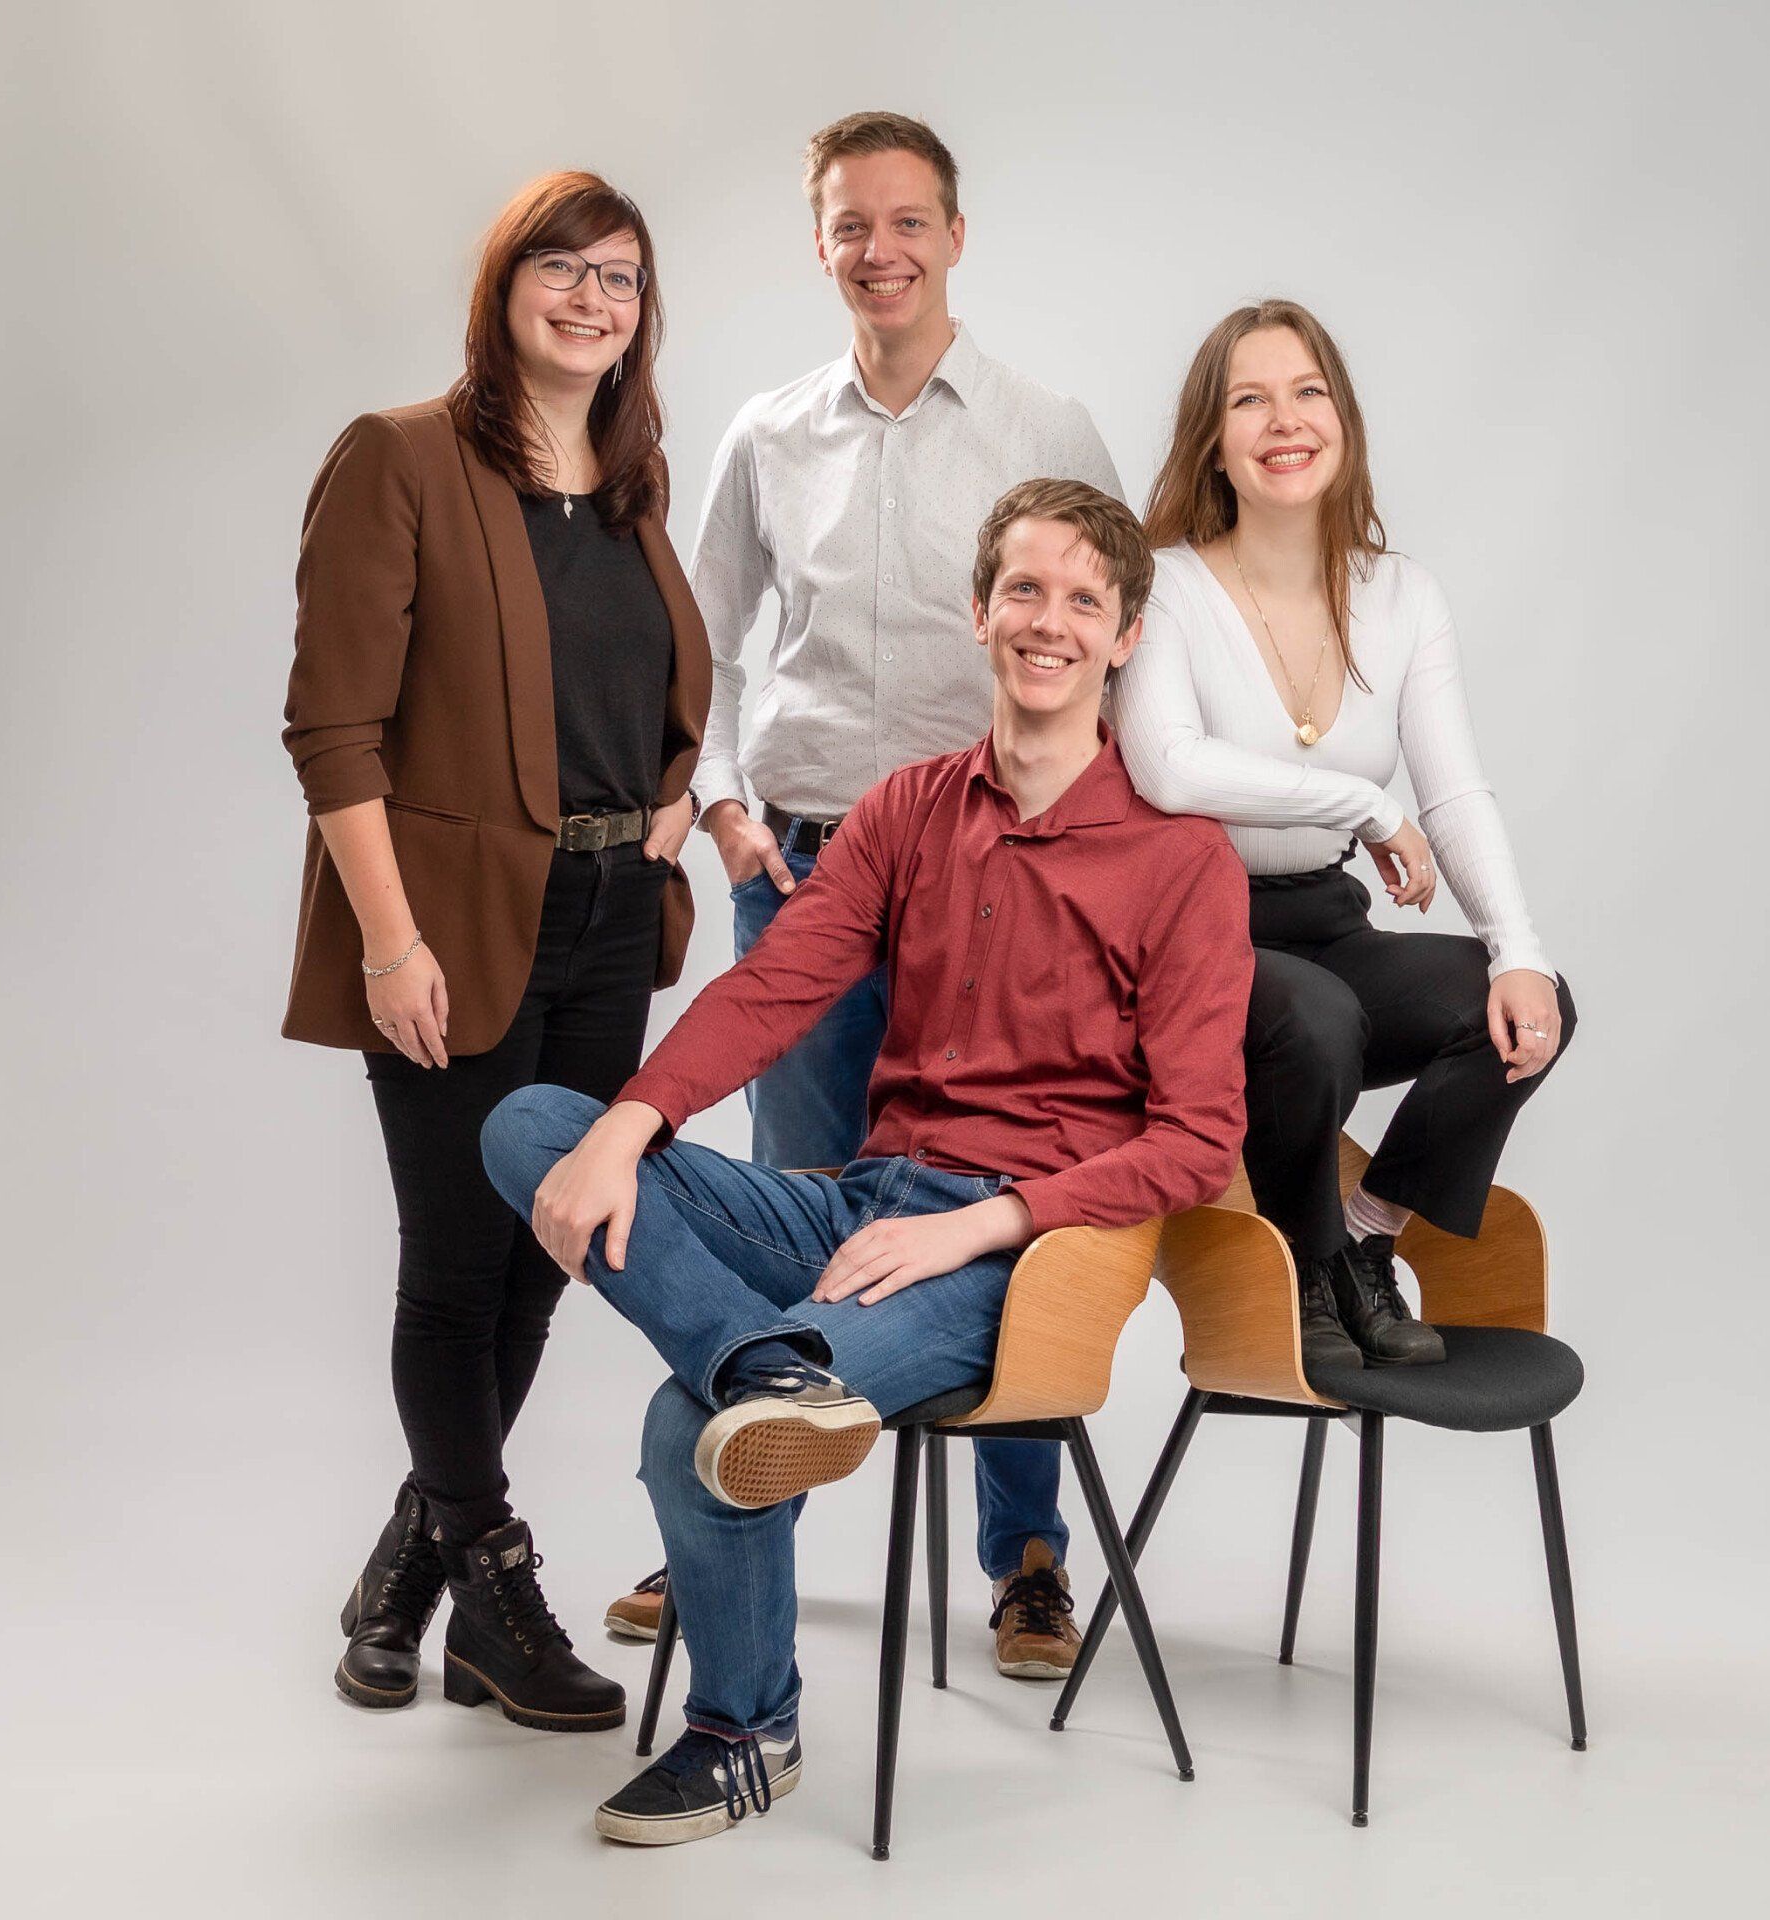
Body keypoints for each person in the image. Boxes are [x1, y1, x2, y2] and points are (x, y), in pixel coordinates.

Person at [481, 480, 1252, 1845]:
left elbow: (1199, 1142)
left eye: (1084, 600)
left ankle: (744, 1730)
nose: (1049, 623)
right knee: (535, 1125)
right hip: (856, 1204)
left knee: (690, 1430)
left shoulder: (1182, 858)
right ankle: (760, 1365)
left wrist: (983, 1227)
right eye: (1024, 590)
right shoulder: (909, 810)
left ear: (1127, 636)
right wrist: (631, 1122)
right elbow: (777, 991)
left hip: (1017, 1258)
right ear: (977, 612)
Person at [604, 110, 1123, 1680]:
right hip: (818, 867)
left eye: (907, 221)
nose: (879, 249)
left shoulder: (1046, 425)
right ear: (819, 244)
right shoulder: (771, 436)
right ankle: (727, 1525)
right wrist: (715, 806)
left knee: (986, 1204)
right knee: (801, 1195)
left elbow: (1115, 640)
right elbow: (696, 641)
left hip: (1001, 880)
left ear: (956, 236)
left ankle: (1024, 1553)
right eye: (849, 225)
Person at [281, 170, 710, 1727]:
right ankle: (498, 1583)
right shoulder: (397, 458)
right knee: (456, 1274)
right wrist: (388, 946)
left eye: (623, 278)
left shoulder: (634, 483)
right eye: (564, 268)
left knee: (548, 1257)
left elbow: (645, 702)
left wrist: (671, 803)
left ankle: (413, 1569)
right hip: (451, 931)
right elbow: (331, 725)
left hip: (606, 926)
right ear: (503, 284)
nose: (594, 299)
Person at [1111, 299, 1576, 1377]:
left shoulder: (1404, 595)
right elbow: (1170, 768)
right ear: (1213, 441)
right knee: (1315, 1022)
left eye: (1309, 391)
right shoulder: (1167, 582)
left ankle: (1365, 1241)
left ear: (1345, 420)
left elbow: (1455, 792)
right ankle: (1304, 1269)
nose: (1287, 420)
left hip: (1326, 920)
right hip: (1193, 936)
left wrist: (1516, 948)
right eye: (1251, 399)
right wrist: (1362, 806)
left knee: (1521, 1002)